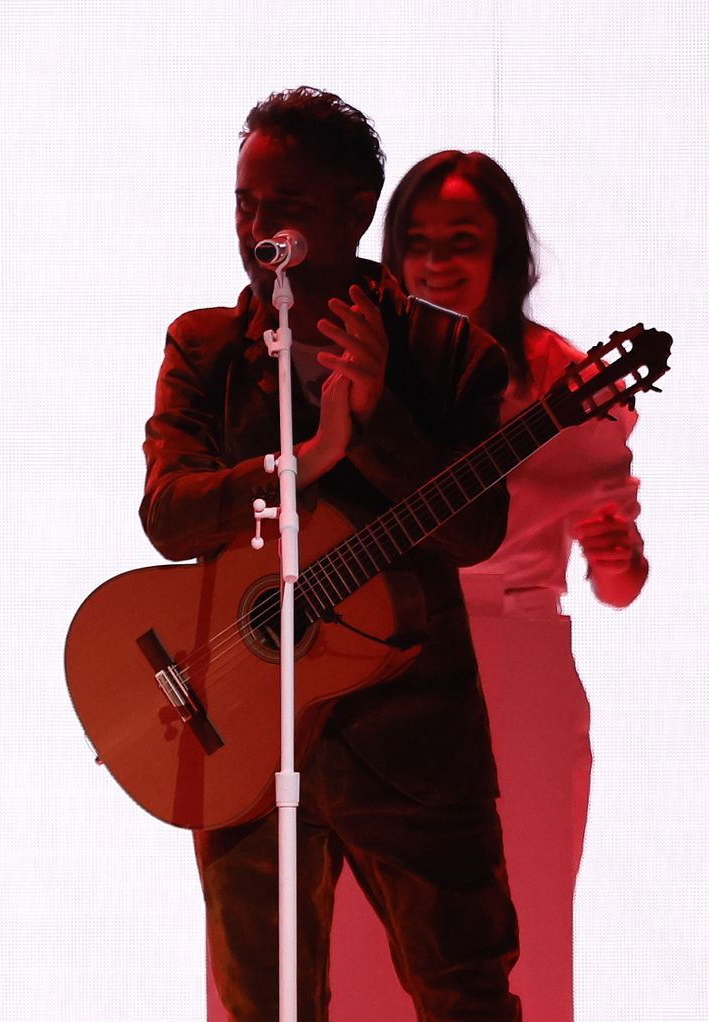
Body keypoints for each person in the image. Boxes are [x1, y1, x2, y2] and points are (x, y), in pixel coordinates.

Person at [139, 89, 522, 1021]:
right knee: (264, 1003)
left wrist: (380, 415)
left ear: (357, 212)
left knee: (464, 991)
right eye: (244, 203)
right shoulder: (206, 348)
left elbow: (476, 532)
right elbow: (170, 519)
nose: (258, 228)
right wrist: (304, 462)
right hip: (241, 733)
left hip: (413, 747)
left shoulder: (449, 355)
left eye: (287, 207)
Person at [328, 150, 647, 1022]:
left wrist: (615, 544)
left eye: (461, 241)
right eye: (417, 241)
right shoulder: (367, 364)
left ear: (506, 253)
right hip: (378, 673)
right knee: (363, 949)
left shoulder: (567, 380)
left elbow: (619, 586)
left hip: (520, 673)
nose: (435, 263)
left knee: (520, 931)